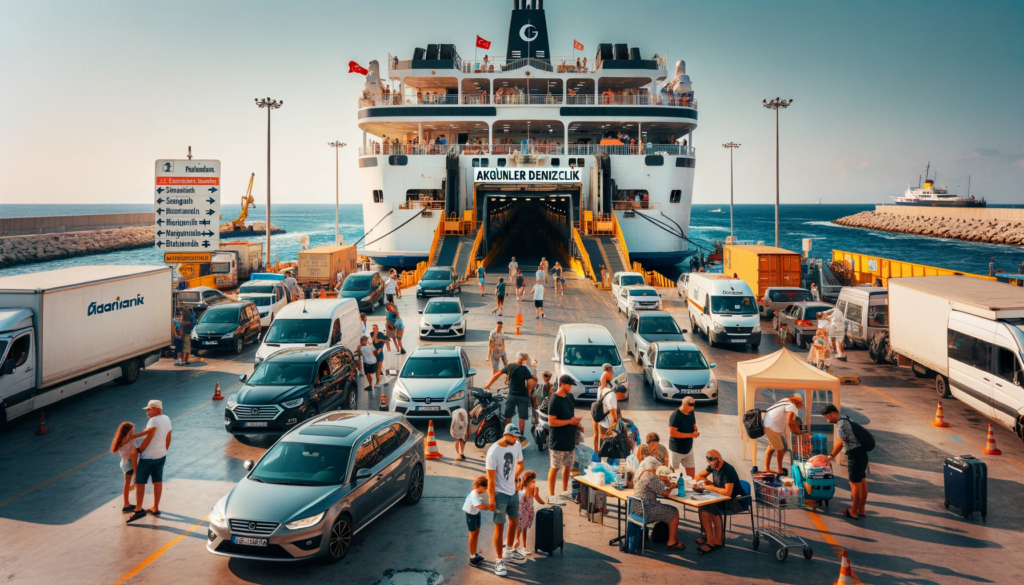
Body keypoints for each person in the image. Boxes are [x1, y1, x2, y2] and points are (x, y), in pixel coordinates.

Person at [485, 424, 526, 577]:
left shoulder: (516, 445)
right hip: (499, 493)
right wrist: (491, 498)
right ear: (506, 435)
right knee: (499, 526)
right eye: (514, 437)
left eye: (517, 437)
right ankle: (499, 559)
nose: (516, 439)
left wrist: (514, 478)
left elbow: (521, 464)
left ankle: (508, 551)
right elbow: (490, 479)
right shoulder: (494, 451)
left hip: (513, 492)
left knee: (514, 521)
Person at [127, 400, 172, 523]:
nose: (147, 411)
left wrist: (138, 450)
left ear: (158, 409)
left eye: (149, 409)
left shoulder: (153, 420)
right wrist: (164, 450)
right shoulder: (166, 418)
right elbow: (169, 436)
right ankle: (155, 507)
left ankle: (138, 509)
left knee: (140, 482)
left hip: (148, 457)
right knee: (157, 481)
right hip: (161, 456)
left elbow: (149, 435)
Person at [694, 450, 747, 554]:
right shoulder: (713, 466)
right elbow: (698, 477)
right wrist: (704, 483)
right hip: (720, 497)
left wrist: (712, 487)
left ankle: (711, 541)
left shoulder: (728, 470)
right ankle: (713, 538)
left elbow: (728, 492)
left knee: (705, 508)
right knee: (702, 505)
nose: (708, 464)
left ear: (717, 460)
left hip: (734, 501)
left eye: (710, 462)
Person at [822, 404, 869, 520]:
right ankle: (861, 509)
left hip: (855, 456)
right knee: (862, 482)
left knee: (854, 484)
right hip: (862, 454)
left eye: (827, 417)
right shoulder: (847, 418)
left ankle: (853, 511)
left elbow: (842, 442)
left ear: (833, 413)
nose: (827, 420)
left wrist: (831, 455)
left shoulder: (841, 424)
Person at [633, 456, 686, 551]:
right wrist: (672, 486)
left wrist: (666, 481)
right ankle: (672, 542)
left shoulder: (641, 474)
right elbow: (665, 493)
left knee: (665, 508)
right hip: (647, 510)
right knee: (673, 512)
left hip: (637, 510)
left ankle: (672, 538)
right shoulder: (650, 477)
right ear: (654, 467)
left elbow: (659, 484)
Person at [484, 352, 536, 446]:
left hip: (512, 395)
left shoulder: (510, 366)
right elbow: (531, 381)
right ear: (523, 360)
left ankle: (507, 436)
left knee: (508, 416)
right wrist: (528, 392)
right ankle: (520, 437)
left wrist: (488, 385)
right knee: (521, 418)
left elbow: (496, 375)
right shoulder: (524, 369)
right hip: (523, 396)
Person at [547, 374, 582, 505]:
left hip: (569, 439)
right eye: (570, 385)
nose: (571, 388)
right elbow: (552, 422)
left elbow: (570, 416)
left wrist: (577, 424)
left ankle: (564, 491)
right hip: (557, 440)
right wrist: (570, 421)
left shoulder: (570, 397)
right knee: (555, 467)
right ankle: (551, 495)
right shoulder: (554, 400)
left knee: (568, 466)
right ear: (563, 384)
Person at [762, 395, 804, 474]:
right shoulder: (792, 406)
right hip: (772, 427)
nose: (799, 408)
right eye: (800, 406)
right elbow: (790, 423)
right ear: (798, 403)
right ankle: (780, 470)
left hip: (768, 424)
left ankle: (767, 468)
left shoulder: (784, 401)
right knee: (780, 449)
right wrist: (799, 433)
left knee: (772, 447)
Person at [513, 471, 546, 556]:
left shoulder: (521, 487)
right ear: (530, 480)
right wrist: (544, 503)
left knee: (520, 527)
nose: (535, 482)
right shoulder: (533, 488)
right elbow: (537, 498)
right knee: (523, 528)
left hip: (521, 511)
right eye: (534, 481)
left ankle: (518, 543)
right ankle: (523, 546)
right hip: (526, 511)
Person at [111, 422, 139, 513]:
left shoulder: (120, 439)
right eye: (130, 433)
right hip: (129, 464)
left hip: (124, 463)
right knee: (133, 484)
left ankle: (126, 504)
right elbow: (132, 457)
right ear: (126, 432)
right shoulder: (127, 440)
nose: (132, 434)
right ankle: (127, 505)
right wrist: (135, 470)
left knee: (128, 484)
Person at [669, 396, 699, 478]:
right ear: (683, 404)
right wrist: (690, 435)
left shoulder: (691, 412)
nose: (691, 409)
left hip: (688, 449)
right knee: (674, 475)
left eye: (692, 407)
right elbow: (672, 433)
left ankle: (692, 487)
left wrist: (695, 432)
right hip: (676, 450)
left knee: (692, 476)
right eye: (689, 407)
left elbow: (694, 425)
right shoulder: (675, 416)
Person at [592, 365, 619, 452]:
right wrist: (611, 429)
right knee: (609, 449)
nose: (613, 372)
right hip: (607, 425)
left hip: (600, 422)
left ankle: (599, 456)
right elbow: (614, 418)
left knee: (601, 444)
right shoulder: (610, 394)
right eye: (611, 370)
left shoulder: (600, 389)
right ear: (607, 371)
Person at [464, 475, 490, 567]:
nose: (486, 490)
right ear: (481, 486)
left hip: (476, 513)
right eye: (485, 488)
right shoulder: (474, 494)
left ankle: (475, 554)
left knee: (477, 533)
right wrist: (490, 507)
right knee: (472, 534)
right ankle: (472, 557)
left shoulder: (478, 492)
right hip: (471, 514)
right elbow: (477, 505)